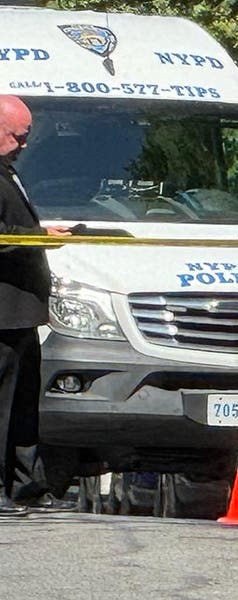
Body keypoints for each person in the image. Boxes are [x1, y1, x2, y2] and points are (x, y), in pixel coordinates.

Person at [0, 95, 76, 516]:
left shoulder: (8, 173)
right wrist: (37, 238)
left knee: (24, 406)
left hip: (21, 314)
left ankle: (27, 487)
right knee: (1, 406)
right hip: (2, 313)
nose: (25, 145)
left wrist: (40, 231)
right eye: (18, 136)